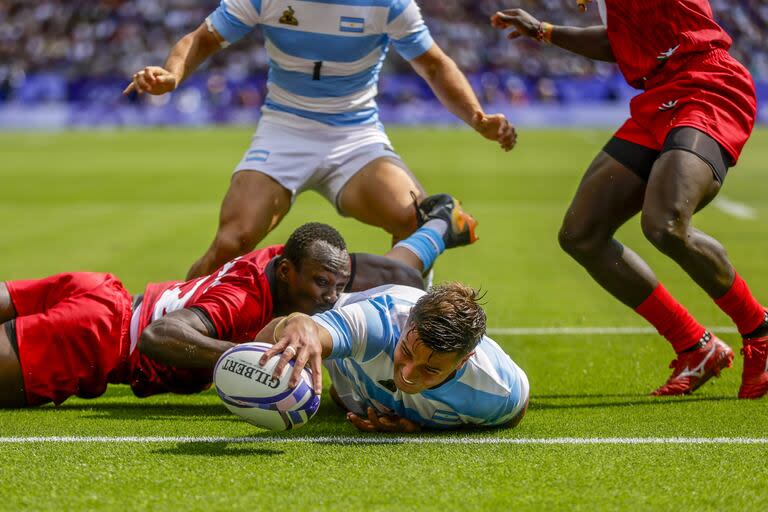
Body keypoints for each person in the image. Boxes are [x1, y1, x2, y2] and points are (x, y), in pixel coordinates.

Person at [490, 0, 767, 399]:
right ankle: (695, 346)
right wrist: (543, 31)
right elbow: (617, 43)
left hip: (708, 84)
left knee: (666, 224)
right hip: (660, 94)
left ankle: (759, 331)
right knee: (581, 233)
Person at [123, 0, 514, 281]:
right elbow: (202, 38)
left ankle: (400, 329)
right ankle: (174, 325)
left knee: (418, 223)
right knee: (232, 240)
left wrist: (478, 118)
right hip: (284, 130)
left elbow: (433, 65)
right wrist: (173, 75)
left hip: (355, 135)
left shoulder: (390, 5)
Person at [0, 197, 475, 407]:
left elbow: (395, 271)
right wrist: (250, 361)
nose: (331, 297)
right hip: (98, 338)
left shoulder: (299, 259)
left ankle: (443, 220)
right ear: (287, 272)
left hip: (103, 294)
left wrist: (438, 231)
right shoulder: (244, 298)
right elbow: (156, 336)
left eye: (338, 284)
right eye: (321, 286)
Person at [256, 282, 529, 432]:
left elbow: (517, 411)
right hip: (352, 311)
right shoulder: (376, 324)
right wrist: (298, 323)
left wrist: (423, 425)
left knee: (341, 399)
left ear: (463, 360)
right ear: (407, 321)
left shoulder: (496, 392)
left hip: (357, 392)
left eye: (430, 370)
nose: (408, 374)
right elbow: (284, 337)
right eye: (407, 352)